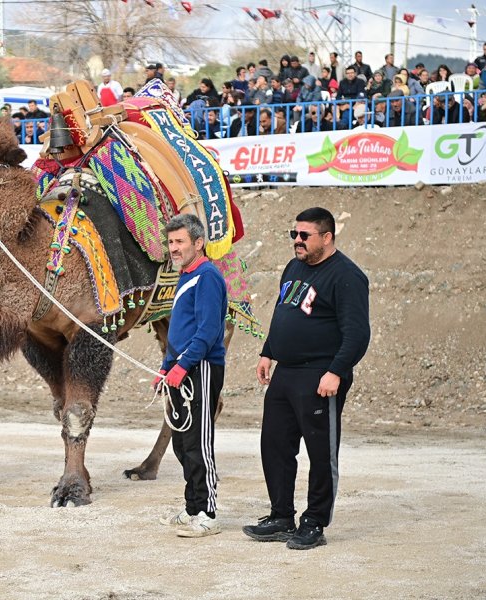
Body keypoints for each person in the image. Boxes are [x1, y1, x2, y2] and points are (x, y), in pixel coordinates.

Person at [243, 207, 370, 550]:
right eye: (293, 235)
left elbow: (358, 335)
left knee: (320, 452)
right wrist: (268, 350)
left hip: (320, 375)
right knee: (275, 445)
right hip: (286, 372)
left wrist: (336, 372)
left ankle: (314, 522)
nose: (297, 241)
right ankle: (281, 515)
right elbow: (284, 310)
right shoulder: (295, 266)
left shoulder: (346, 276)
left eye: (304, 236)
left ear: (327, 237)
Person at [156, 213, 227, 538]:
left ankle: (208, 513)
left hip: (202, 368)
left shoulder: (208, 276)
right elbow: (180, 331)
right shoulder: (185, 275)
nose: (174, 248)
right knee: (182, 444)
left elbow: (209, 329)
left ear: (198, 243)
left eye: (180, 241)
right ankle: (192, 507)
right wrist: (166, 367)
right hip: (181, 369)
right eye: (171, 242)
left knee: (199, 442)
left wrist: (183, 366)